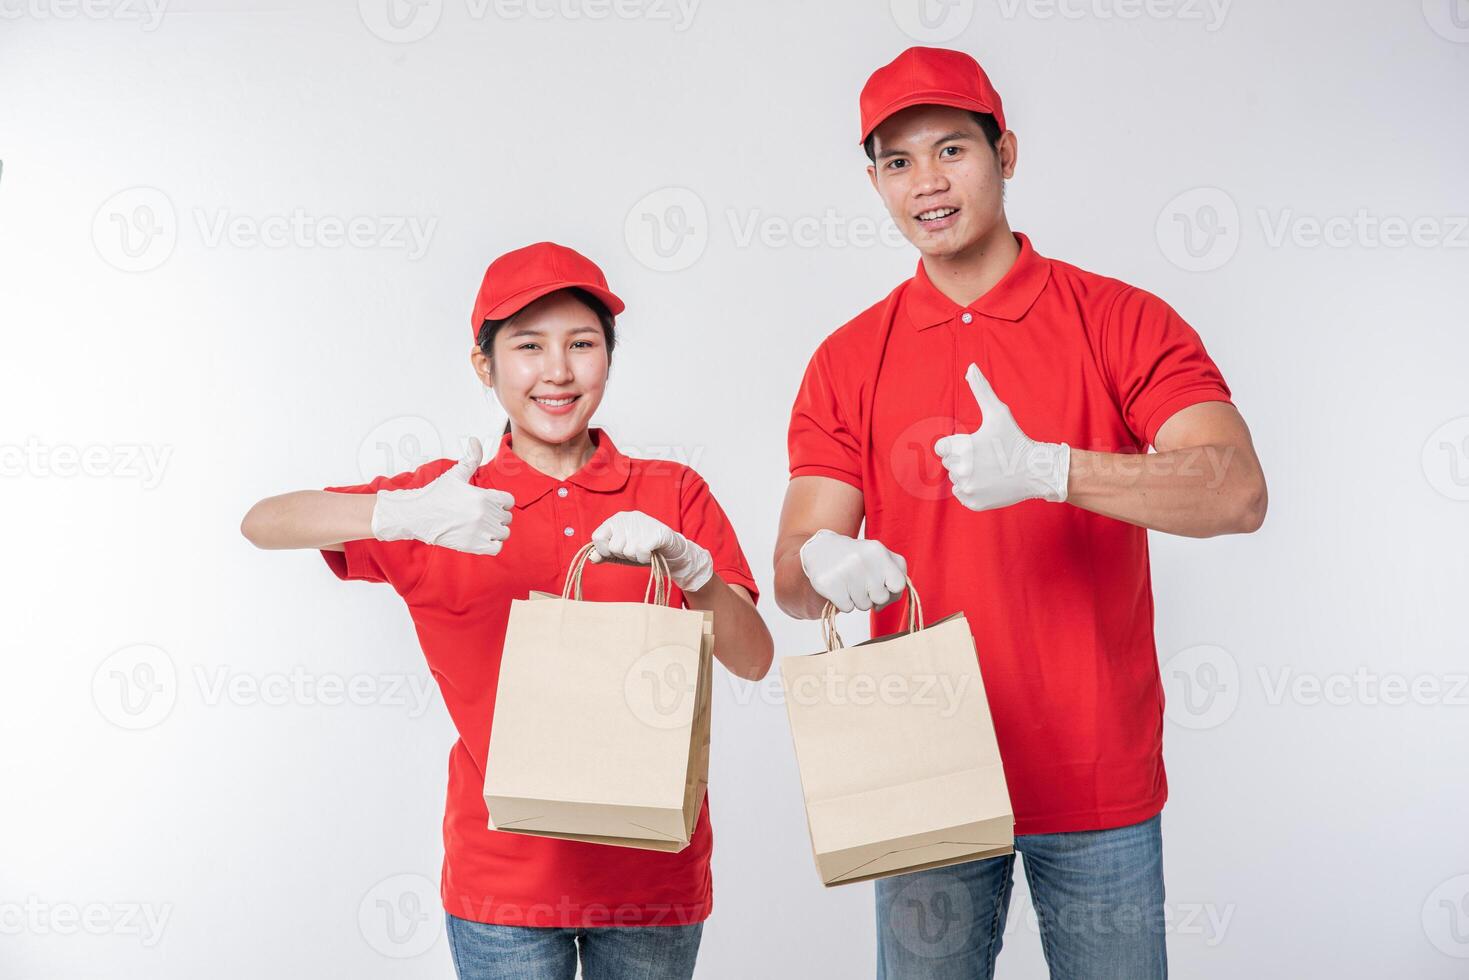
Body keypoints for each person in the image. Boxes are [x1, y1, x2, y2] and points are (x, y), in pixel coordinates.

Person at [773, 47, 1268, 978]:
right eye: (897, 161)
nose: (926, 183)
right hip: (920, 770)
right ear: (874, 180)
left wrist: (1051, 469)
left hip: (1095, 775)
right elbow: (794, 575)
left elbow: (1236, 490)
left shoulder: (1118, 319)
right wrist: (826, 563)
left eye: (951, 149)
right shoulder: (847, 358)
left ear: (1007, 151)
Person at [241, 241, 773, 980]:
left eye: (581, 344)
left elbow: (753, 658)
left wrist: (694, 568)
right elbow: (264, 522)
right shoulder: (445, 500)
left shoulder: (672, 490)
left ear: (609, 359)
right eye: (528, 347)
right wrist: (399, 512)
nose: (557, 371)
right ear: (484, 365)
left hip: (653, 879)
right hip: (502, 888)